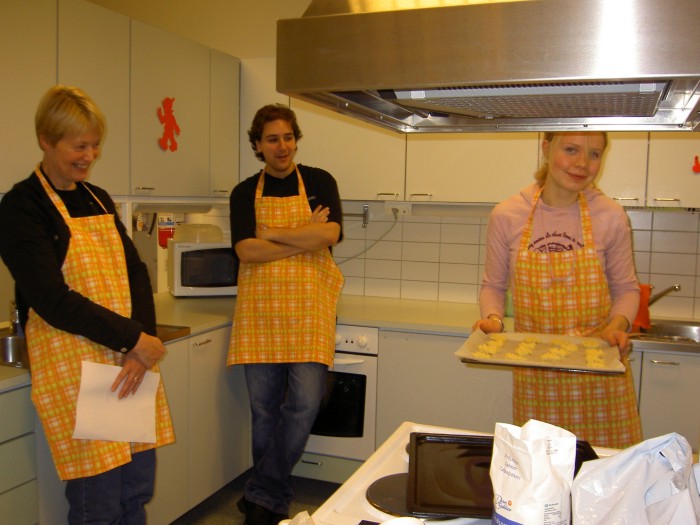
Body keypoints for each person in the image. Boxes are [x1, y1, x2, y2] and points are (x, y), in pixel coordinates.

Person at [0, 85, 174, 523]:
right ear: (45, 139)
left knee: (136, 490)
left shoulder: (97, 197)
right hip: (76, 371)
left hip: (126, 363)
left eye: (95, 145)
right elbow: (52, 300)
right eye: (79, 146)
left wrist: (141, 342)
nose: (90, 156)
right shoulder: (22, 207)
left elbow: (136, 272)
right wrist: (134, 339)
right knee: (98, 502)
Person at [473, 131, 643, 450]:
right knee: (543, 468)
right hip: (538, 372)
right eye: (571, 150)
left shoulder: (610, 216)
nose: (583, 163)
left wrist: (617, 325)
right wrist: (493, 320)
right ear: (547, 148)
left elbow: (627, 289)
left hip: (599, 372)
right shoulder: (507, 214)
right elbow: (493, 286)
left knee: (606, 469)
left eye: (594, 154)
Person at [227, 104, 344, 525]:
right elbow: (246, 250)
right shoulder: (244, 192)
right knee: (264, 412)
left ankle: (261, 492)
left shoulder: (319, 181)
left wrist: (273, 234)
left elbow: (330, 234)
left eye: (288, 137)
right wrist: (303, 236)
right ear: (258, 145)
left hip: (310, 310)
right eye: (273, 139)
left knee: (305, 404)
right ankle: (269, 503)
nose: (282, 146)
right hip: (260, 313)